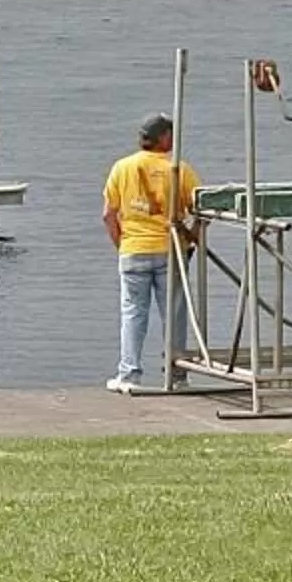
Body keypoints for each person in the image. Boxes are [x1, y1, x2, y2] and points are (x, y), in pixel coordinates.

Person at [103, 114, 200, 393]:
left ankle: (129, 374)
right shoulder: (178, 169)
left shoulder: (121, 168)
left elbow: (108, 214)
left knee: (133, 314)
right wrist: (192, 238)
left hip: (133, 249)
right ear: (164, 138)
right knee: (175, 315)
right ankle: (177, 376)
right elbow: (201, 208)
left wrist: (122, 245)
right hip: (170, 249)